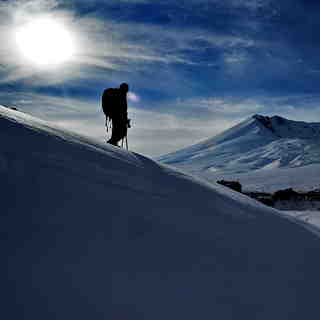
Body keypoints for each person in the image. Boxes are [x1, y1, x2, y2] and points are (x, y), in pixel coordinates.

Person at [102, 83, 130, 147]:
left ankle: (113, 143)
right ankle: (112, 143)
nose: (127, 90)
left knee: (118, 130)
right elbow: (122, 109)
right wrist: (125, 119)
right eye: (126, 89)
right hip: (117, 115)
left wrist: (125, 119)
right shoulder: (120, 94)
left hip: (115, 115)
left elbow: (123, 109)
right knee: (121, 131)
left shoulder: (120, 94)